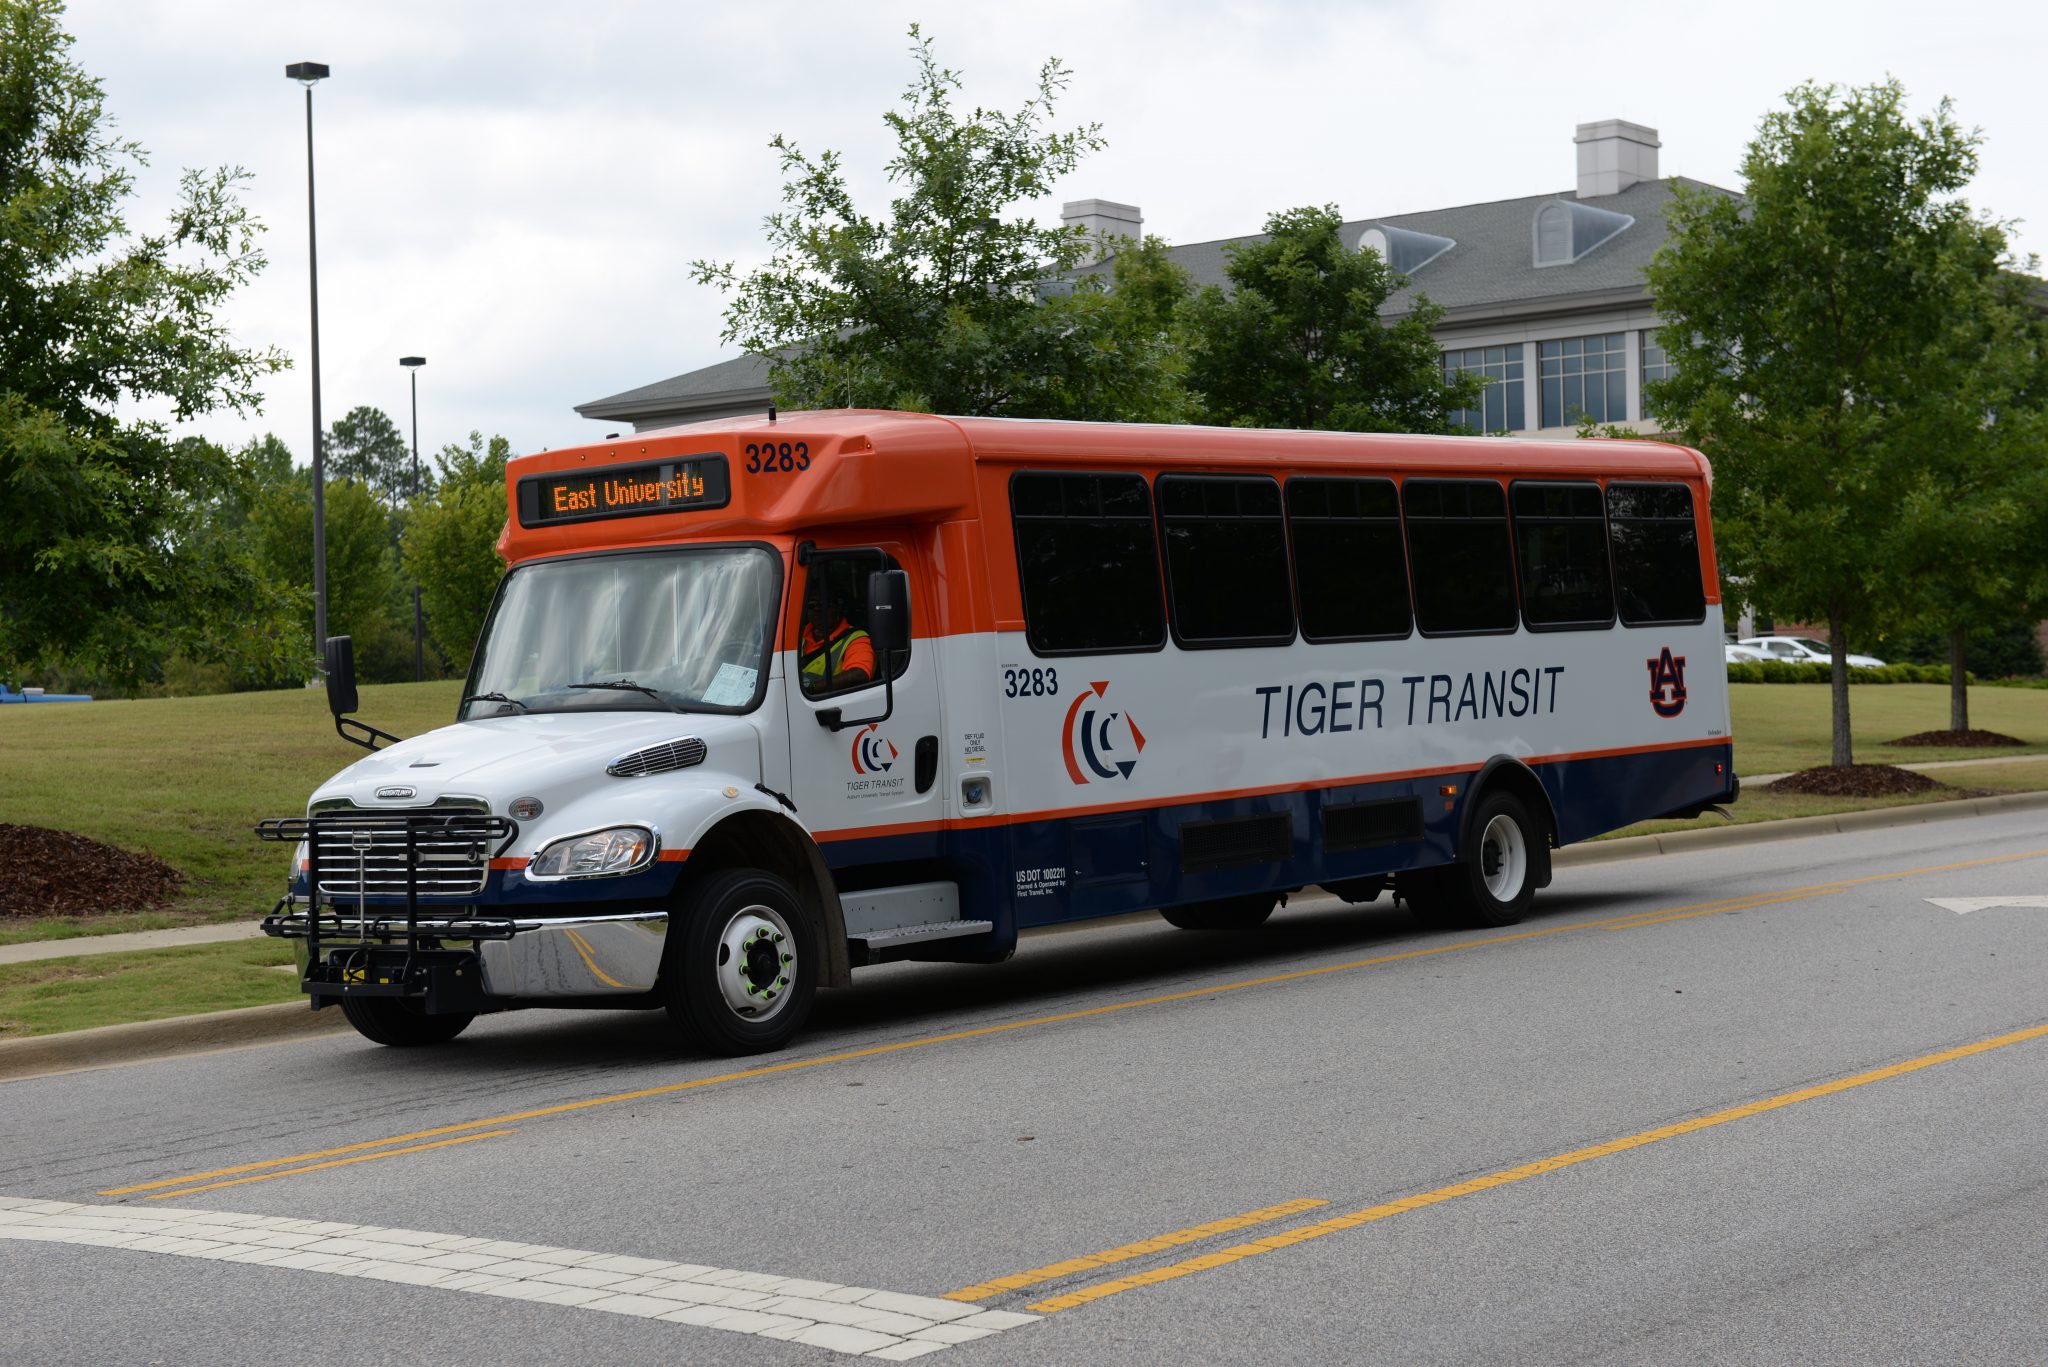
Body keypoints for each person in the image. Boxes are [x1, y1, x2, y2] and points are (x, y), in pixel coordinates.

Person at [799, 577, 875, 695]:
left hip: (828, 708)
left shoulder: (857, 638)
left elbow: (859, 674)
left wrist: (810, 688)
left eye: (824, 604)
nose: (817, 610)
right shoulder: (797, 635)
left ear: (838, 607)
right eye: (812, 605)